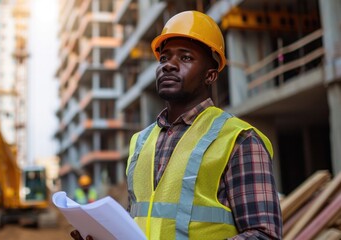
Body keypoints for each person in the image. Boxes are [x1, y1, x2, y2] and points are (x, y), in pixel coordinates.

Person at [72, 10, 282, 240]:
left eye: (186, 58)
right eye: (164, 58)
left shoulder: (239, 139)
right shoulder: (140, 142)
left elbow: (265, 235)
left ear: (210, 76)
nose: (168, 65)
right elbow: (141, 221)